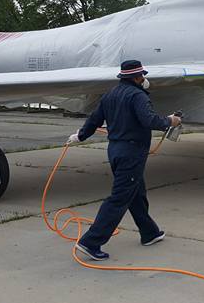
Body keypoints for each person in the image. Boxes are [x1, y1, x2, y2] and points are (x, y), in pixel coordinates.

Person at [66, 60, 181, 260]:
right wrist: (170, 121)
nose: (144, 79)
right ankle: (90, 242)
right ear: (137, 78)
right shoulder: (138, 96)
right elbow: (149, 120)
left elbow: (94, 120)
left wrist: (80, 136)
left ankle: (149, 233)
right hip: (131, 153)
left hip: (116, 151)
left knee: (136, 192)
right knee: (119, 198)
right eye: (142, 76)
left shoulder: (109, 95)